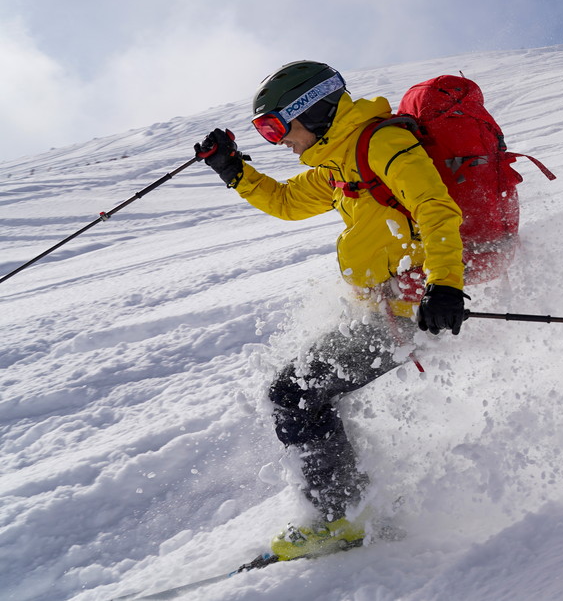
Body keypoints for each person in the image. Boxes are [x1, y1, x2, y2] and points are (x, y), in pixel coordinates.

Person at [195, 60, 468, 560]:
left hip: (412, 309)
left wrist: (445, 286)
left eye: (277, 126)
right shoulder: (339, 165)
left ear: (314, 111)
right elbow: (286, 202)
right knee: (304, 391)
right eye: (264, 130)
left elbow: (436, 207)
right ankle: (359, 504)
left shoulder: (380, 144)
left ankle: (338, 517)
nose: (277, 140)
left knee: (294, 391)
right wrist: (235, 170)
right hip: (385, 310)